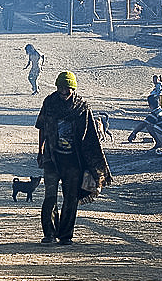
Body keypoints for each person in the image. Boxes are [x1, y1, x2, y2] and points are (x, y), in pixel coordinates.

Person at [35, 71, 112, 246]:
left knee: (70, 198)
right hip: (52, 158)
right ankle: (49, 233)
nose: (63, 92)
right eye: (61, 88)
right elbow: (42, 128)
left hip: (73, 161)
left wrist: (92, 165)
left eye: (67, 89)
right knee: (50, 197)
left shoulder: (82, 108)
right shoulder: (49, 103)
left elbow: (89, 137)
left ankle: (65, 235)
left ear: (73, 89)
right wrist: (40, 151)